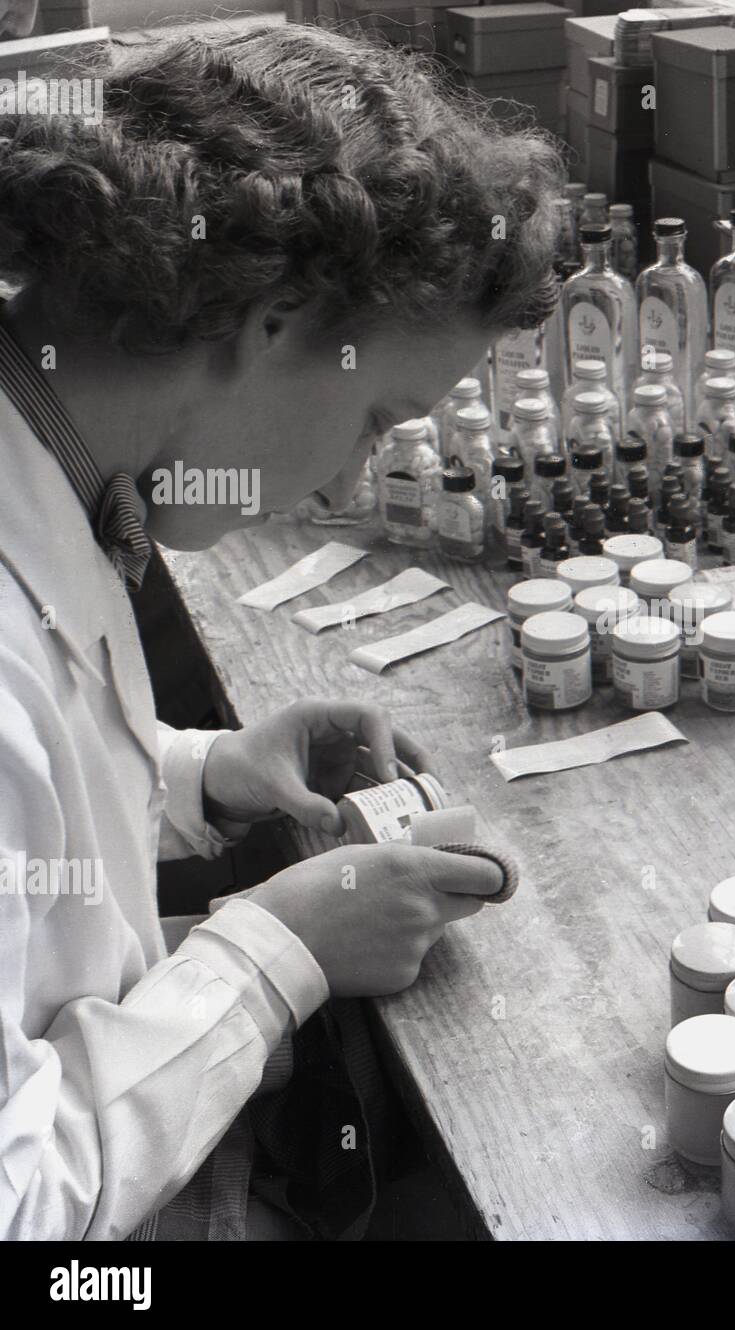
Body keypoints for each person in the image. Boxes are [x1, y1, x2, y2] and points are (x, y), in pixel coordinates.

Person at [0, 23, 563, 1239]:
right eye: (374, 416)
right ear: (276, 318)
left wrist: (196, 773)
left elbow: (34, 808)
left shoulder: (54, 452)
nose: (346, 473)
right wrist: (275, 952)